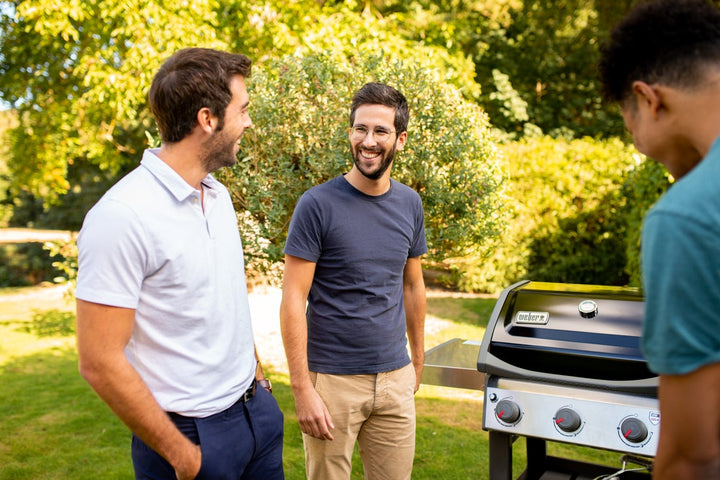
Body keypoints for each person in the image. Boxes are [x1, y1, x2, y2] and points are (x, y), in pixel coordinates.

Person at [75, 48, 284, 480]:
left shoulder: (219, 196)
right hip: (190, 438)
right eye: (242, 110)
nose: (248, 121)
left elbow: (224, 299)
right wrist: (184, 458)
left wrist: (258, 380)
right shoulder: (122, 216)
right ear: (207, 119)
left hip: (255, 414)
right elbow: (98, 360)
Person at [279, 82, 427, 480]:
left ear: (401, 138)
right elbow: (293, 297)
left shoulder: (410, 204)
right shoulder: (317, 205)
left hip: (395, 379)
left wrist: (417, 359)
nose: (368, 141)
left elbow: (412, 285)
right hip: (332, 382)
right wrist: (301, 389)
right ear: (350, 133)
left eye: (380, 131)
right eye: (360, 129)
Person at [598, 1, 720, 478]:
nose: (647, 154)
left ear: (650, 99)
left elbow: (695, 454)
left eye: (635, 134)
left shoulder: (686, 216)